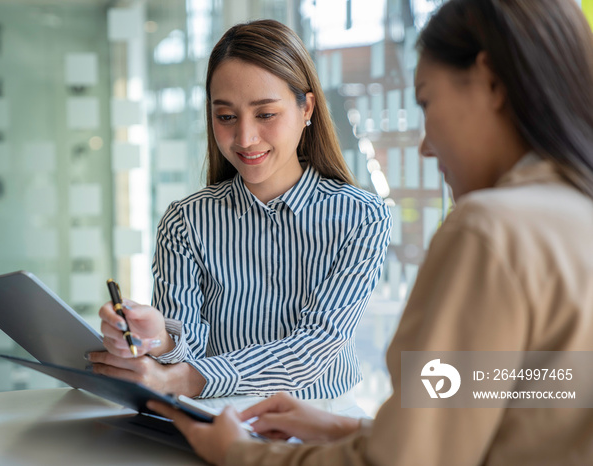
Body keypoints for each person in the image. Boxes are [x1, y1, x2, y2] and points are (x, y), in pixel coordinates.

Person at [147, 0, 593, 464]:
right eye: (226, 116)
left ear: (490, 84)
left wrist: (239, 454)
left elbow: (404, 459)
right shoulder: (577, 211)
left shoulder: (490, 231)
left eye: (425, 102)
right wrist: (349, 428)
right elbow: (516, 403)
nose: (423, 144)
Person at [88, 19, 392, 411]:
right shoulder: (186, 221)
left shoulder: (361, 217)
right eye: (226, 117)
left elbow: (313, 352)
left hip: (321, 418)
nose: (245, 138)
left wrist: (186, 379)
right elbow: (187, 344)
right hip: (212, 412)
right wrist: (157, 339)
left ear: (307, 108)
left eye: (265, 114)